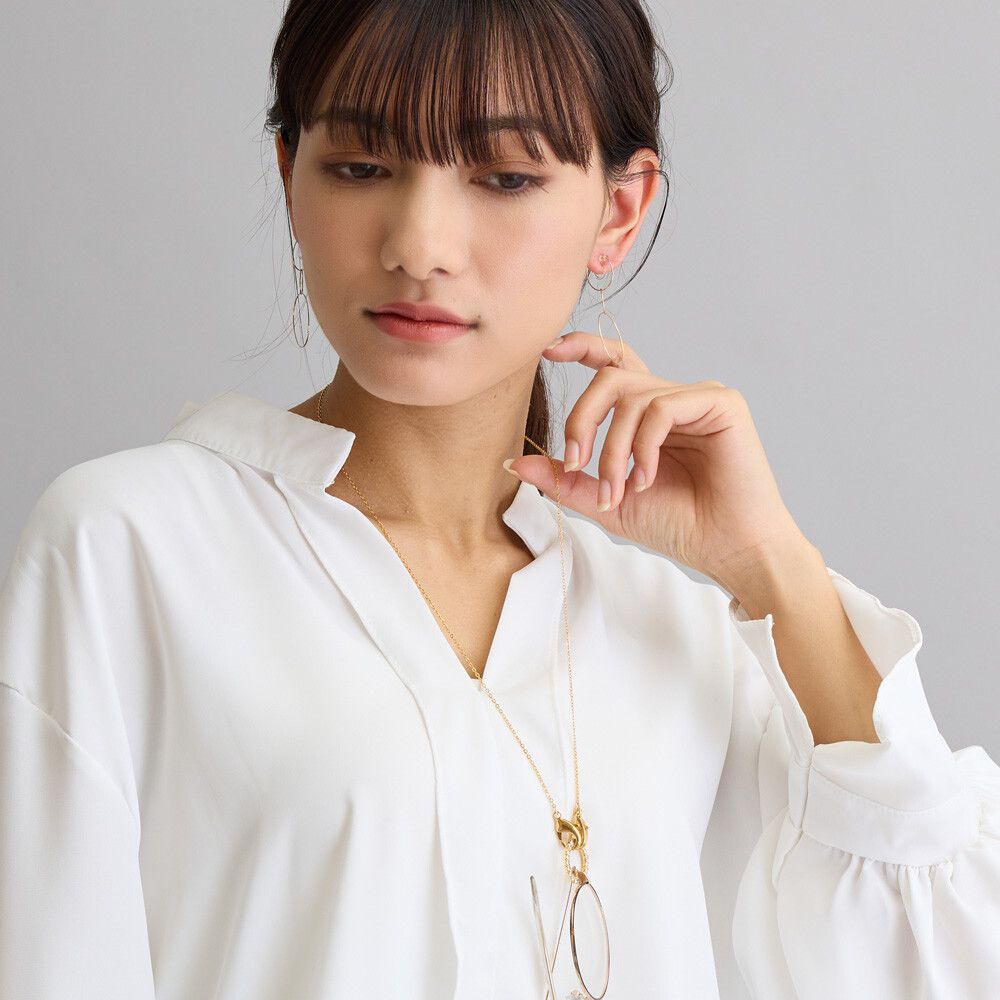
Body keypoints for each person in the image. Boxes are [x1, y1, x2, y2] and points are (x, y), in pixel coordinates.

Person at [2, 2, 998, 998]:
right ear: (289, 174)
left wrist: (768, 563)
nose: (419, 245)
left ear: (619, 211)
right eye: (360, 166)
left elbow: (932, 960)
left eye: (506, 177)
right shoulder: (131, 549)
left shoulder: (680, 637)